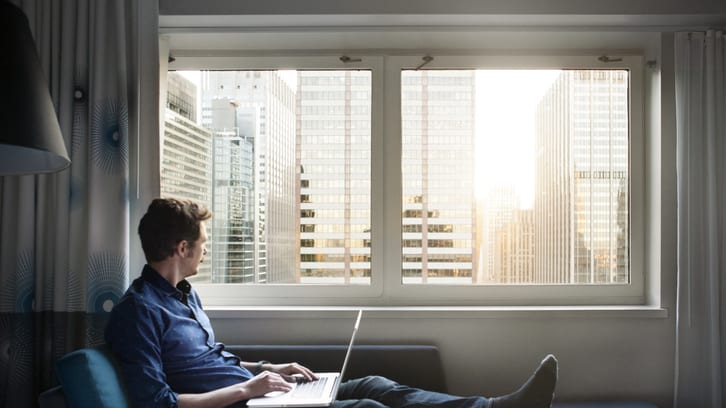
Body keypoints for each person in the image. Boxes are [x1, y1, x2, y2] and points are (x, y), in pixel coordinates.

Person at [105, 198, 558, 408]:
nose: (207, 250)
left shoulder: (186, 295)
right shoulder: (137, 312)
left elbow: (203, 361)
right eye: (202, 243)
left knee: (376, 386)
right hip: (241, 406)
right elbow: (158, 404)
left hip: (261, 395)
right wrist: (248, 390)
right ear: (181, 248)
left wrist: (266, 369)